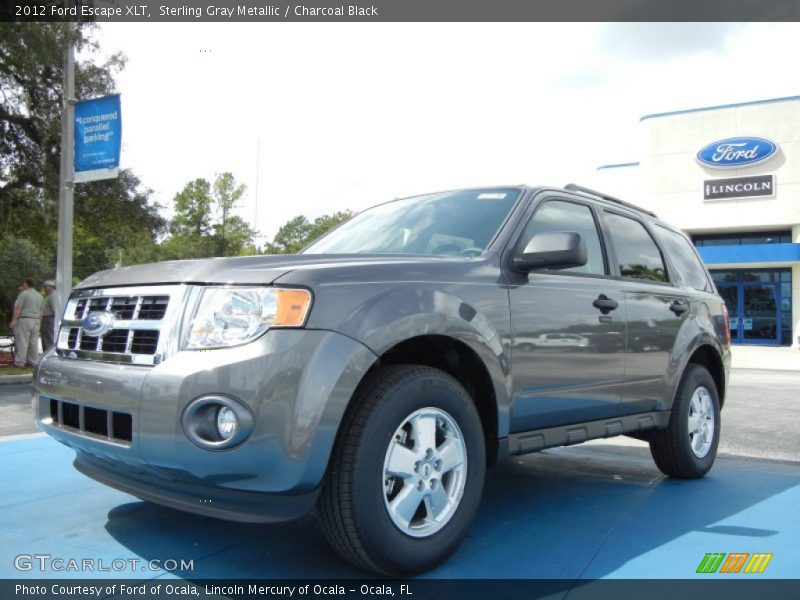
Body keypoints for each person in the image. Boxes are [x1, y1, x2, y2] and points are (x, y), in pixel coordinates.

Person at [9, 278, 43, 367]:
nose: (23, 286)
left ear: (26, 284)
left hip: (25, 319)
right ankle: (33, 361)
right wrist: (39, 321)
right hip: (36, 320)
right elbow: (41, 311)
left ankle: (20, 361)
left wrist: (13, 320)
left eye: (24, 284)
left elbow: (18, 308)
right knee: (33, 341)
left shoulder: (24, 294)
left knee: (22, 340)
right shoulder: (39, 296)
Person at [40, 279, 57, 353]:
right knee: (45, 337)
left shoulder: (53, 296)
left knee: (48, 337)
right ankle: (47, 352)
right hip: (47, 318)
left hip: (49, 318)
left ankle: (49, 353)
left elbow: (54, 309)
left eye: (45, 287)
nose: (44, 288)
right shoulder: (49, 296)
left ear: (51, 287)